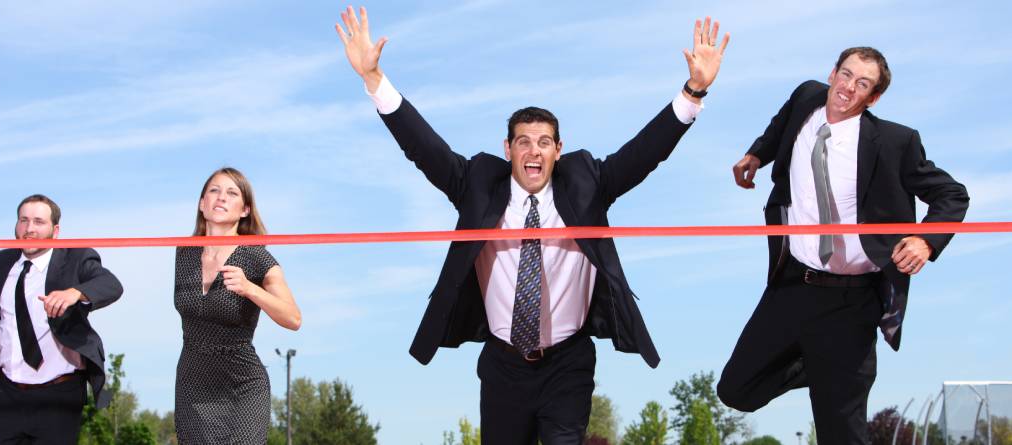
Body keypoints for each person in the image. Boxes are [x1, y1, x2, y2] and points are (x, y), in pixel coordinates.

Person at [336, 7, 728, 444]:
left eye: (543, 142)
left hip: (568, 362)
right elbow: (423, 147)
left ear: (559, 149)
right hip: (503, 365)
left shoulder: (588, 183)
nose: (533, 151)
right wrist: (374, 79)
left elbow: (645, 153)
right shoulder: (476, 184)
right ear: (508, 150)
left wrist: (693, 91)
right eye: (523, 142)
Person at [717, 47, 969, 443]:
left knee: (841, 434)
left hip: (852, 301)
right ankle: (819, 365)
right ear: (832, 73)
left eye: (862, 84)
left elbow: (952, 194)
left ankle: (833, 369)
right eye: (846, 74)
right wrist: (757, 155)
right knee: (736, 390)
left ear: (874, 98)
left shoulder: (895, 142)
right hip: (793, 286)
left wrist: (925, 240)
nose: (849, 87)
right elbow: (781, 126)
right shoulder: (806, 98)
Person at [0, 194, 124, 444]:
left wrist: (75, 293)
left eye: (39, 222)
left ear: (55, 230)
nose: (29, 229)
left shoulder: (76, 258)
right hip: (6, 394)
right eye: (24, 220)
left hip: (58, 395)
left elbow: (111, 284)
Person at [174, 167, 301, 444]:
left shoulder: (257, 257)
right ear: (202, 203)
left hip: (242, 385)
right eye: (214, 190)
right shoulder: (183, 253)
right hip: (192, 385)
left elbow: (293, 318)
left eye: (232, 193)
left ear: (245, 210)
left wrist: (249, 288)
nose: (221, 197)